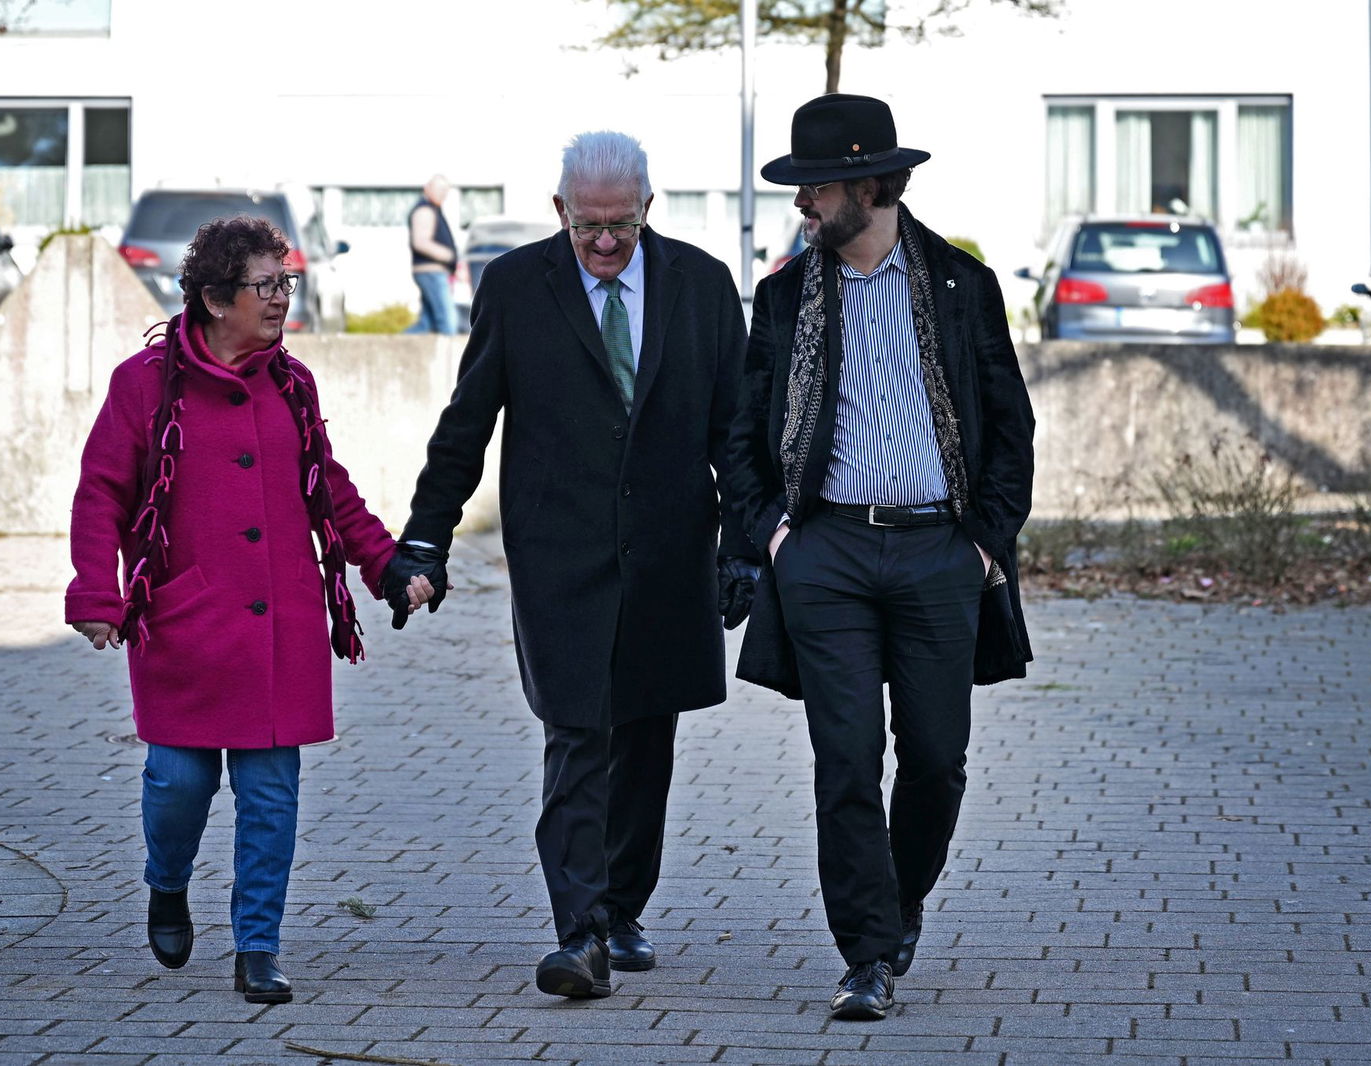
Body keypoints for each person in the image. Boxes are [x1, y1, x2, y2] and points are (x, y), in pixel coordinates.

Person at [383, 131, 759, 999]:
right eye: (587, 225)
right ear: (560, 211)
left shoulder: (700, 287)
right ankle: (581, 931)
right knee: (577, 732)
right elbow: (467, 421)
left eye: (619, 226)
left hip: (668, 554)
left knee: (646, 737)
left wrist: (742, 548)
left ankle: (624, 904)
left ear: (647, 211)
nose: (602, 242)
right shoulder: (519, 285)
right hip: (561, 558)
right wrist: (427, 538)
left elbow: (736, 436)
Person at [65, 216, 430, 1004]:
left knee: (271, 795)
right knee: (176, 783)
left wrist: (386, 563)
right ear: (211, 297)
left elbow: (326, 487)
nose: (280, 300)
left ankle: (258, 945)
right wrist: (97, 590)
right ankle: (166, 884)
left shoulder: (291, 383)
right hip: (184, 623)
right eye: (265, 285)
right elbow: (101, 494)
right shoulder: (145, 383)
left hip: (281, 626)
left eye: (285, 282)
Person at [726, 94, 1036, 1021]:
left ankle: (899, 906)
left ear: (869, 183)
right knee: (846, 759)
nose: (801, 206)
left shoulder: (960, 284)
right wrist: (778, 537)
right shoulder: (785, 297)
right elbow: (742, 436)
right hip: (827, 556)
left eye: (814, 188)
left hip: (942, 549)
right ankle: (865, 955)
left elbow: (1011, 423)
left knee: (937, 760)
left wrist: (985, 541)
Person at [406, 174, 460, 334]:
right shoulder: (424, 210)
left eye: (446, 190)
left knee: (426, 325)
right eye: (440, 189)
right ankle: (453, 359)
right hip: (431, 271)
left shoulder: (433, 209)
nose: (443, 194)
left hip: (434, 272)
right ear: (427, 188)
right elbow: (420, 242)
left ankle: (390, 351)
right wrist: (449, 256)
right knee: (448, 322)